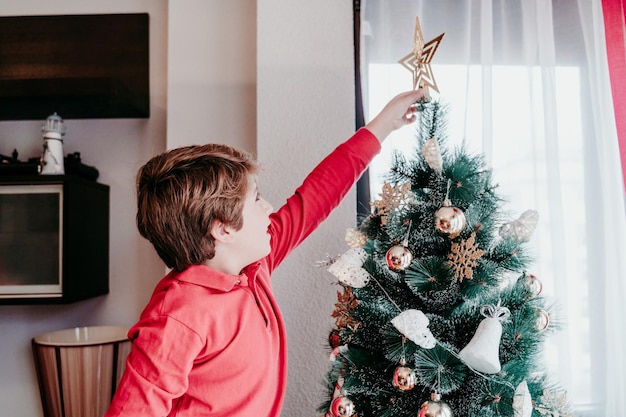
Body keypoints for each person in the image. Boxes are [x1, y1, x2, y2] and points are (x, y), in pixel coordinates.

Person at [104, 88, 425, 417]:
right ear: (223, 229)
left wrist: (383, 125)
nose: (268, 207)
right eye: (256, 199)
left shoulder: (254, 265)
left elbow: (315, 197)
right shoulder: (177, 317)